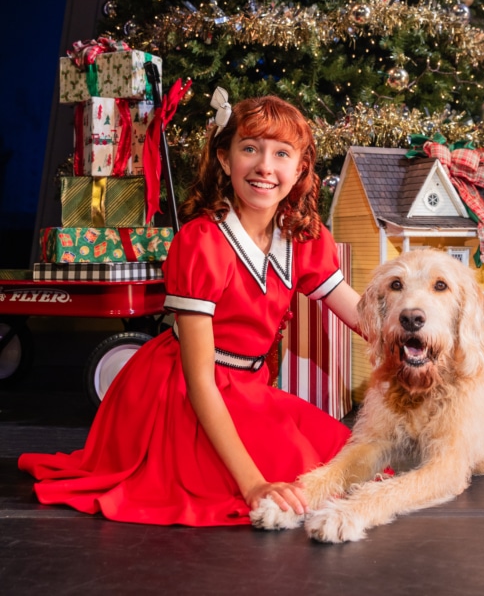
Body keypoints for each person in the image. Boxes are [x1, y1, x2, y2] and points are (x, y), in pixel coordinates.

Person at [19, 92, 361, 526]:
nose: (265, 167)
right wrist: (252, 483)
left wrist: (419, 335)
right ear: (224, 158)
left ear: (300, 167)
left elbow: (362, 314)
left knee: (346, 459)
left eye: (281, 154)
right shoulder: (203, 244)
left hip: (248, 386)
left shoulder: (302, 239)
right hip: (183, 389)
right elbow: (200, 379)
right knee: (283, 480)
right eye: (250, 149)